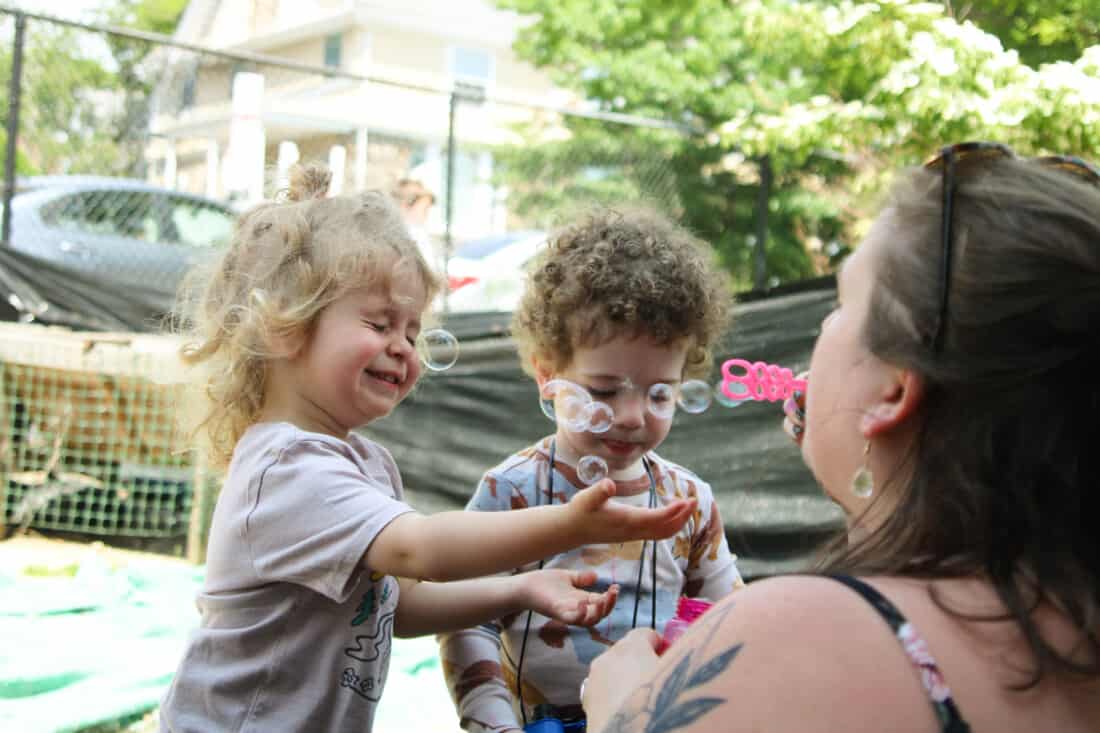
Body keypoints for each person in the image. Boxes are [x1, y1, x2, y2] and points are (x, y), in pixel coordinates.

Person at [158, 164, 701, 733]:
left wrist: (521, 587)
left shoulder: (365, 463)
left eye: (413, 333)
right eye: (379, 323)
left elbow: (402, 605)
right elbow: (422, 551)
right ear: (283, 326)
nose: (403, 348)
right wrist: (572, 524)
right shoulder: (286, 467)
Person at [580, 142, 1100, 732]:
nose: (823, 330)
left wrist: (621, 709)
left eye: (840, 303)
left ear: (894, 391)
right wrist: (865, 481)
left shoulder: (803, 634)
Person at [438, 208, 745, 732]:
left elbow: (729, 614)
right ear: (547, 374)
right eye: (603, 392)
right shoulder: (513, 490)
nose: (631, 417)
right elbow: (467, 619)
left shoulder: (687, 500)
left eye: (659, 393)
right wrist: (490, 720)